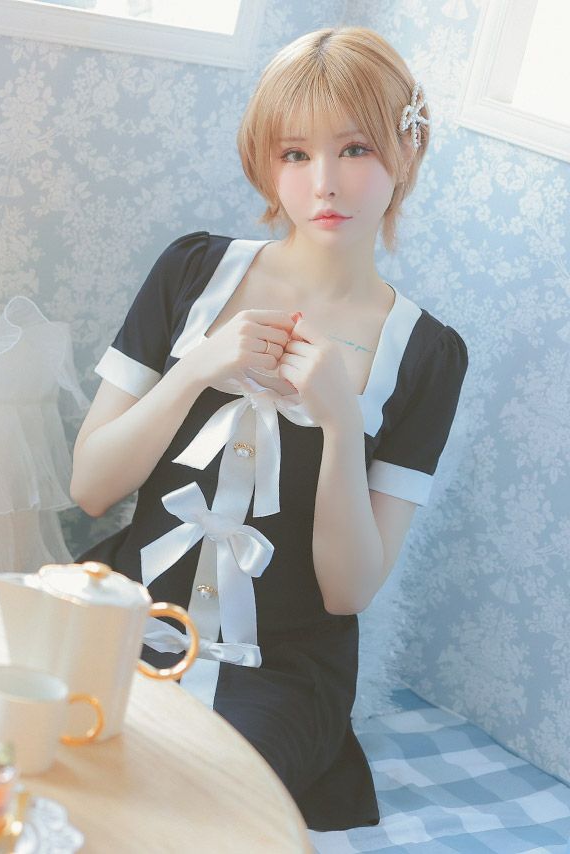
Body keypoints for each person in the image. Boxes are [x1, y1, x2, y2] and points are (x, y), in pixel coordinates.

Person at [70, 26, 468, 832]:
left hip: (280, 671)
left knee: (196, 810)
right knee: (47, 759)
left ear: (407, 149)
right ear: (266, 162)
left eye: (355, 148)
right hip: (123, 619)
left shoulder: (428, 355)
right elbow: (91, 488)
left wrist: (342, 422)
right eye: (294, 154)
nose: (324, 183)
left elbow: (348, 591)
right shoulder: (192, 272)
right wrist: (195, 369)